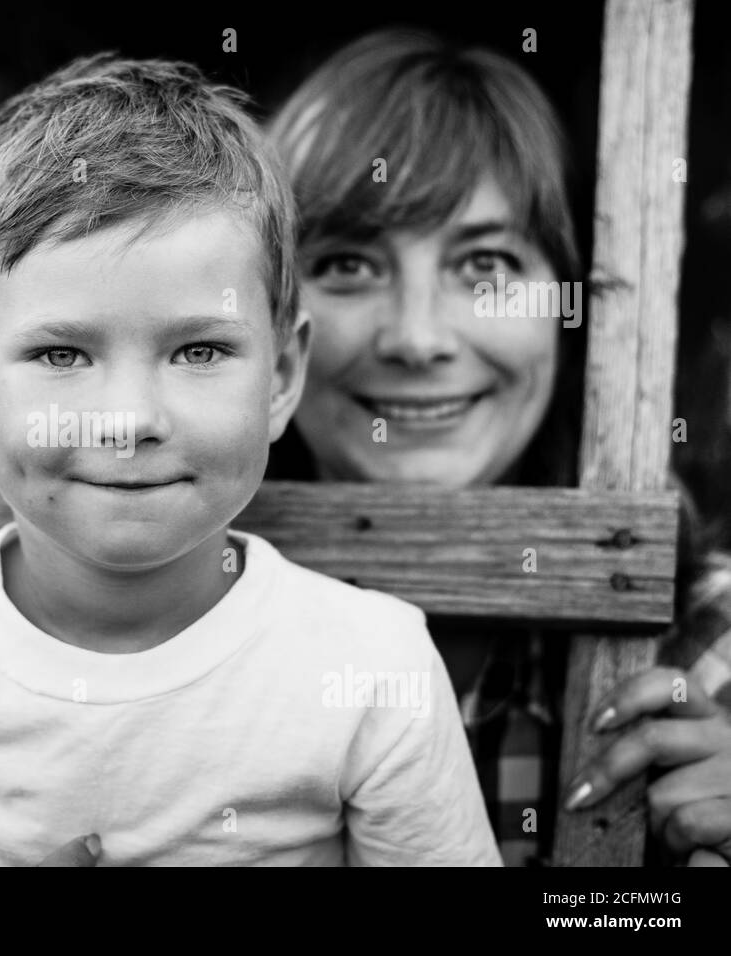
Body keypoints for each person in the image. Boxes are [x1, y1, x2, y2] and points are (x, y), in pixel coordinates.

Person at [0, 54, 501, 866]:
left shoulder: (373, 667)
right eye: (62, 356)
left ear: (280, 376)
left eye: (200, 350)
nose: (128, 422)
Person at [265, 28, 731, 865]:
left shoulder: (711, 644)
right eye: (346, 263)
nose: (417, 339)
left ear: (575, 311)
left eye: (484, 264)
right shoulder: (141, 624)